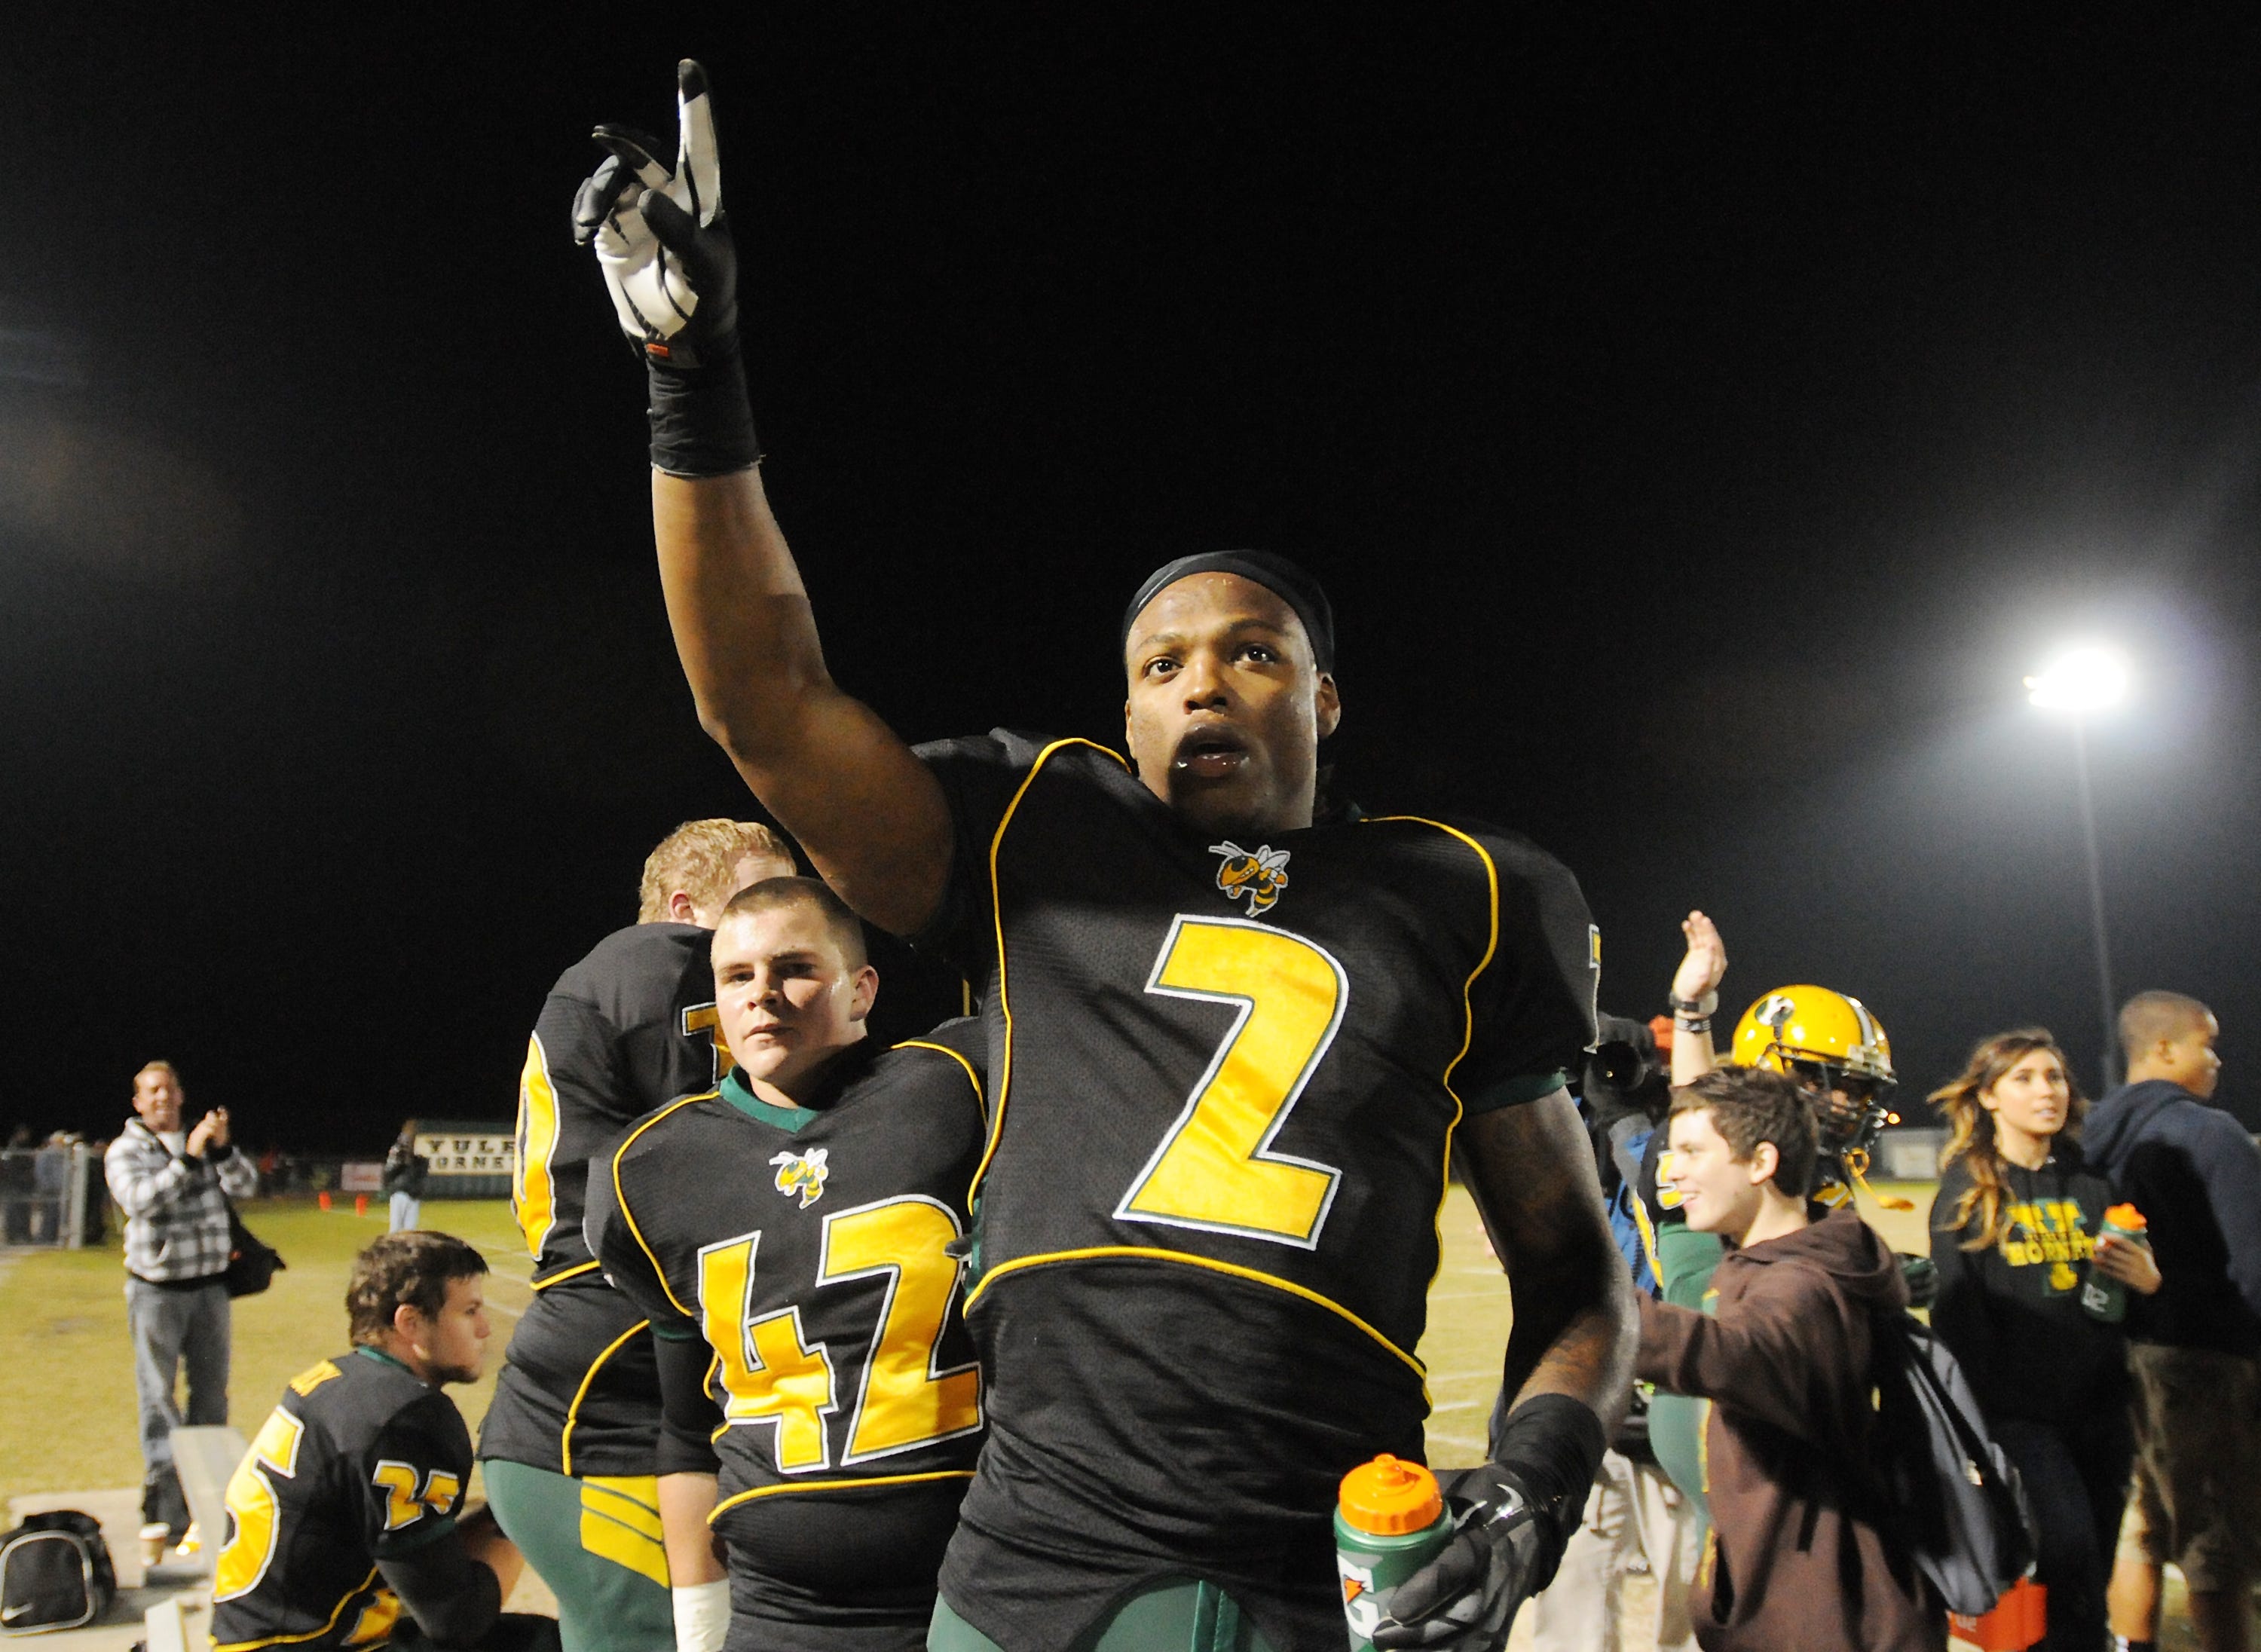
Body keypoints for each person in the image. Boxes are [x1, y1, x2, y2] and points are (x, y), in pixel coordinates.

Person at [574, 64, 1634, 1651]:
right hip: (1038, 1560)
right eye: (1158, 662)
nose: (1201, 679)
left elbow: (1575, 1266)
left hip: (1319, 1559)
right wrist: (690, 371)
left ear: (1326, 698)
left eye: (1252, 653)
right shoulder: (1037, 835)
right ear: (1122, 710)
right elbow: (763, 704)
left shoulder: (1467, 893)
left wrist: (1537, 1483)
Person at [589, 876, 989, 1651]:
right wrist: (700, 1623)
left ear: (862, 987)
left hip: (972, 1584)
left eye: (794, 967)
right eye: (737, 975)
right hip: (783, 1608)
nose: (762, 994)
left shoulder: (959, 1083)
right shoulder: (648, 1169)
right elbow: (682, 1426)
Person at [476, 818, 794, 1652]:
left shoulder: (601, 982)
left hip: (600, 1377)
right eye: (760, 897)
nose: (782, 920)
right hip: (604, 1402)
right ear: (688, 907)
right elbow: (708, 1168)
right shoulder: (667, 957)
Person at [1635, 1064, 1939, 1651]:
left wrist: (1595, 1303)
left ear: (1760, 1163)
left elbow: (1741, 1353)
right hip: (1814, 1593)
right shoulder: (1797, 1256)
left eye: (1694, 1151)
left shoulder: (1799, 1286)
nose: (1675, 1171)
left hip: (1830, 1610)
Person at [211, 1231, 558, 1652]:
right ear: (409, 1322)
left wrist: (493, 1518)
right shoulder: (406, 1419)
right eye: (469, 1312)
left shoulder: (333, 1383)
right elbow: (457, 1619)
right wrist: (522, 1517)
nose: (485, 1329)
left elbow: (426, 1561)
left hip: (266, 1635)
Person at [1928, 1028, 2160, 1652]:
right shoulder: (1967, 1192)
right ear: (1989, 1097)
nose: (2046, 1091)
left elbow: (2120, 1307)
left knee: (2093, 1569)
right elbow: (1956, 1323)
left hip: (2101, 1414)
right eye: (2025, 1078)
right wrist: (1977, 1432)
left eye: (2054, 1077)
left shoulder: (2096, 1185)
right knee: (2066, 1550)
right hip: (2021, 1420)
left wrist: (2147, 1282)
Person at [2083, 992, 2261, 1652]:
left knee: (2146, 1523)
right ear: (2161, 1050)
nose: (2215, 1060)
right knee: (2218, 1540)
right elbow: (2252, 1265)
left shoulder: (2091, 1135)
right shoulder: (2209, 1132)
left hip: (2119, 1351)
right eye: (2204, 1043)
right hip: (2206, 1357)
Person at [1521, 1015, 1700, 1652]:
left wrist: (1629, 1113)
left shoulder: (1678, 1151)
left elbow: (1663, 1196)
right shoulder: (1570, 1152)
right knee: (1573, 1602)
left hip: (1660, 1419)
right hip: (1583, 1410)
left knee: (1690, 1607)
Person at [103, 1059, 258, 1555]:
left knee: (211, 1395)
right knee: (158, 1397)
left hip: (211, 1289)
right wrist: (188, 1160)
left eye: (169, 1090)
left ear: (181, 1095)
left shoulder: (203, 1144)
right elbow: (140, 1201)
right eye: (152, 1092)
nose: (162, 1098)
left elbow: (246, 1185)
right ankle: (167, 1507)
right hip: (157, 1291)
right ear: (137, 1102)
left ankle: (207, 1503)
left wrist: (224, 1147)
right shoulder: (127, 1149)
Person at [384, 1121, 430, 1232]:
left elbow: (422, 1171)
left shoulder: (420, 1148)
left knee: (410, 1231)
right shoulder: (399, 1149)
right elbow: (390, 1172)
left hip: (413, 1194)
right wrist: (402, 1161)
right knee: (396, 1229)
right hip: (401, 1192)